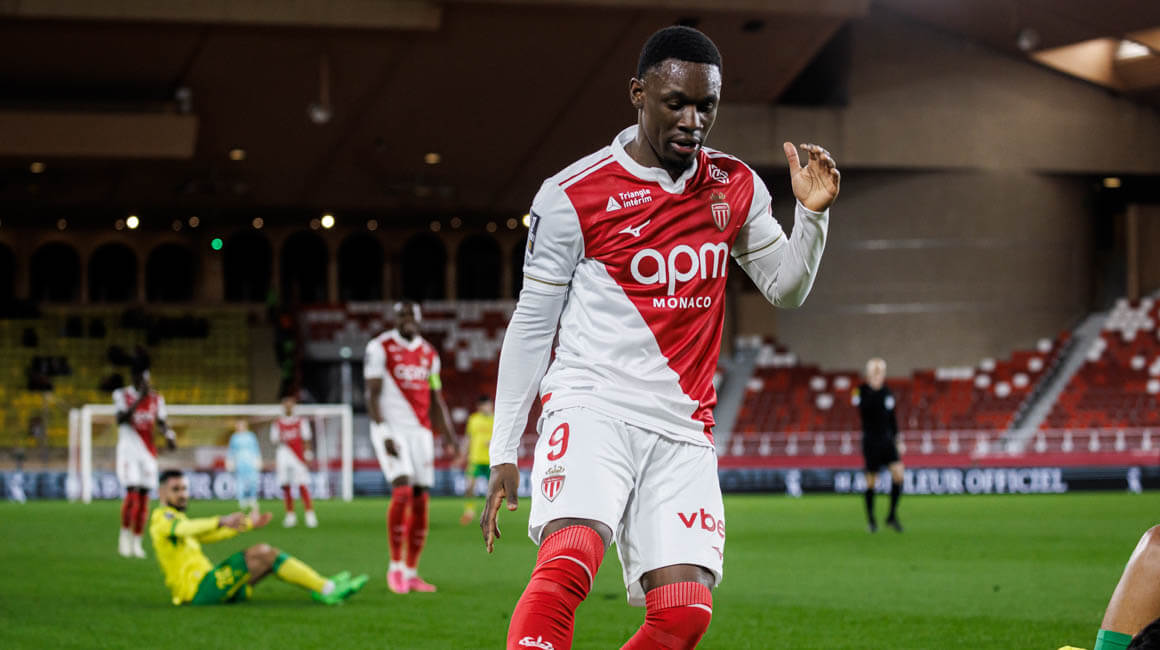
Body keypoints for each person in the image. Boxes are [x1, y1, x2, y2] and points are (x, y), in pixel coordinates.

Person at [482, 25, 838, 649]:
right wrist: (503, 448)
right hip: (593, 405)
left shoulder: (735, 186)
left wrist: (810, 217)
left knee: (683, 615)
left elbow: (786, 289)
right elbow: (533, 325)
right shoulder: (572, 195)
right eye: (677, 103)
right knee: (568, 565)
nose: (693, 121)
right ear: (638, 94)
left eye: (707, 106)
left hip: (683, 427)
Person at [148, 469, 366, 606]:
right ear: (161, 493)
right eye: (176, 489)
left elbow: (206, 535)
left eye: (184, 489)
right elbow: (185, 529)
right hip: (197, 592)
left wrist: (248, 523)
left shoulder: (177, 519)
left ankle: (321, 586)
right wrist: (220, 520)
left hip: (211, 583)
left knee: (269, 556)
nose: (183, 494)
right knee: (261, 552)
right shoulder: (161, 519)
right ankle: (327, 589)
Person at [365, 301, 459, 594]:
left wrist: (450, 436)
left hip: (420, 432)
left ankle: (411, 571)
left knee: (420, 500)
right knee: (403, 491)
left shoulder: (429, 354)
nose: (407, 319)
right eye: (402, 315)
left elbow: (436, 397)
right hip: (391, 429)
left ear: (420, 319)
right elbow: (371, 394)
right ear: (395, 319)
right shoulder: (379, 347)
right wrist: (383, 432)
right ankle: (394, 567)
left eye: (411, 315)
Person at [114, 358, 174, 558]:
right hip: (128, 452)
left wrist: (169, 436)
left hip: (148, 454)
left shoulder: (157, 399)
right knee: (132, 495)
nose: (146, 381)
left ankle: (137, 541)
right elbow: (120, 419)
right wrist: (139, 399)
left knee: (144, 498)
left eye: (147, 377)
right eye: (142, 377)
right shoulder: (121, 395)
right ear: (134, 377)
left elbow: (162, 422)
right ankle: (124, 536)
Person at [853, 357, 904, 533]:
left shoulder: (887, 392)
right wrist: (873, 389)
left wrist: (897, 439)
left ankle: (891, 516)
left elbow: (892, 418)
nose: (878, 375)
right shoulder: (860, 391)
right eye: (875, 371)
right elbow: (863, 410)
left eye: (880, 371)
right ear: (868, 374)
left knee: (899, 474)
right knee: (871, 481)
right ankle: (871, 520)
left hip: (887, 440)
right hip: (871, 441)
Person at [458, 395, 494, 525]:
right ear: (479, 407)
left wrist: (493, 442)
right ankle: (469, 511)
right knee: (469, 487)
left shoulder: (496, 420)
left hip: (492, 460)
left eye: (487, 405)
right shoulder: (473, 419)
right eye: (483, 405)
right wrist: (462, 454)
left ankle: (492, 514)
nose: (485, 408)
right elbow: (468, 438)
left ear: (491, 406)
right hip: (475, 459)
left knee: (492, 490)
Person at [227, 419, 262, 515]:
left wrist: (258, 460)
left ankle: (252, 498)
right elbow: (231, 450)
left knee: (253, 480)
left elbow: (256, 448)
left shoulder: (251, 436)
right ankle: (241, 499)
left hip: (250, 461)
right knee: (240, 481)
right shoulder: (234, 437)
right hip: (239, 461)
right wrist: (230, 461)